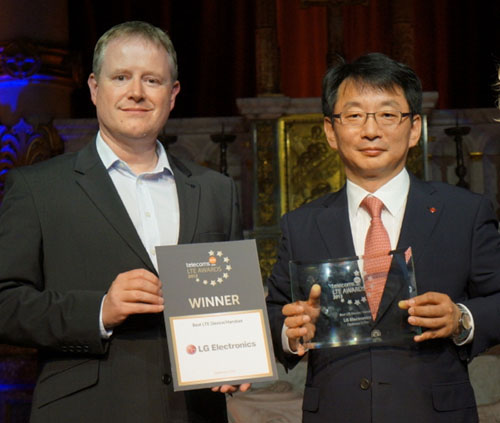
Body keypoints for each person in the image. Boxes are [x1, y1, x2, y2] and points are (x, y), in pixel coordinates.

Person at [0, 21, 247, 423]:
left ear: (172, 95)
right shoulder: (37, 188)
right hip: (87, 410)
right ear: (95, 90)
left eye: (152, 79)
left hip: (194, 412)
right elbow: (5, 303)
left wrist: (236, 354)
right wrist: (99, 309)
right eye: (122, 77)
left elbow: (228, 307)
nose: (136, 92)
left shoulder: (216, 190)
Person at [266, 52, 500, 422]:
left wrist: (461, 318)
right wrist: (290, 330)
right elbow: (272, 313)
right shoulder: (302, 224)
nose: (370, 130)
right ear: (330, 131)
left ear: (414, 128)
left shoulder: (464, 214)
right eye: (354, 115)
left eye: (388, 115)